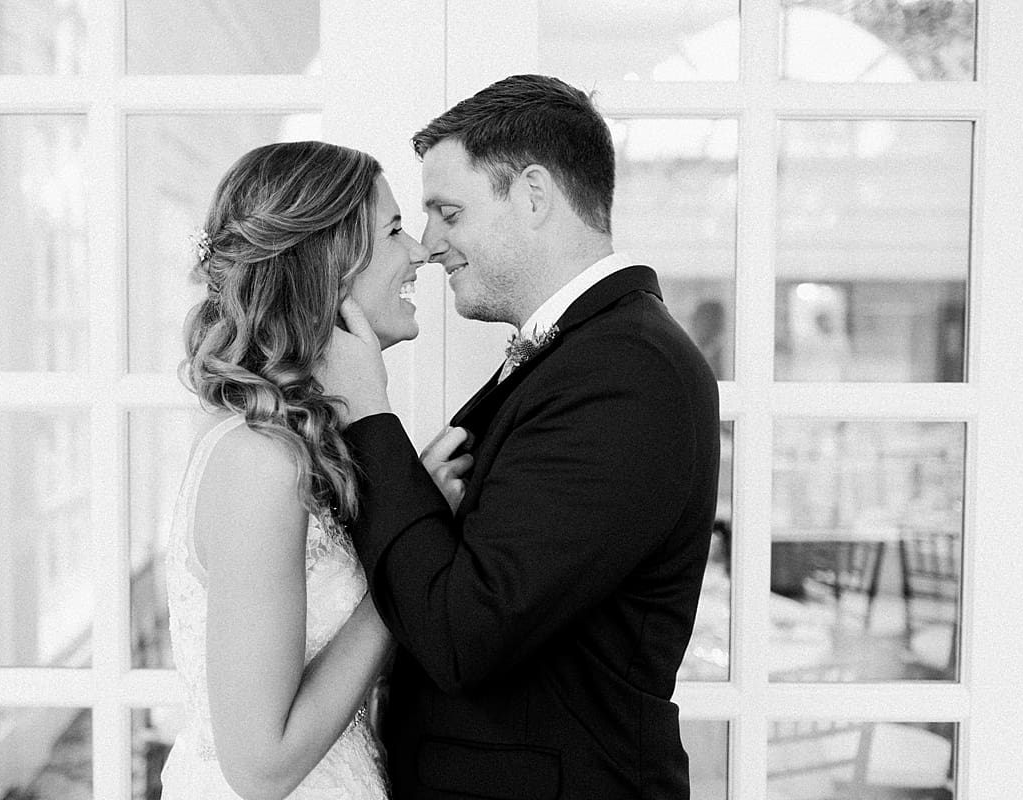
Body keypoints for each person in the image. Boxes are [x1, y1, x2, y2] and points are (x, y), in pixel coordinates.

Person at [320, 75, 721, 799]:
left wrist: (366, 414)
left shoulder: (627, 370)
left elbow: (461, 634)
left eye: (448, 212)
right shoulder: (586, 355)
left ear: (534, 195)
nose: (429, 245)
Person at [161, 140, 427, 800]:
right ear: (330, 267)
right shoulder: (260, 462)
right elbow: (263, 766)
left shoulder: (302, 444)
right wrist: (403, 589)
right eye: (395, 230)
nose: (420, 252)